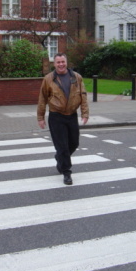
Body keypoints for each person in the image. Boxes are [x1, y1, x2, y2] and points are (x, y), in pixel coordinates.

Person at [37, 53, 89, 185]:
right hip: (56, 116)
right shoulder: (48, 79)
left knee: (74, 143)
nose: (61, 64)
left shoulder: (76, 77)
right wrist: (40, 117)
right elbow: (42, 99)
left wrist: (85, 114)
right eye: (58, 62)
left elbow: (83, 96)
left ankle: (60, 158)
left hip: (71, 115)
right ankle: (66, 172)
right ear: (54, 64)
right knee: (62, 147)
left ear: (67, 63)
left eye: (63, 62)